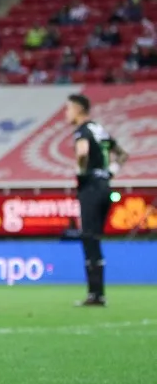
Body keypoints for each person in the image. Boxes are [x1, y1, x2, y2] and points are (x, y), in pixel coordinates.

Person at [64, 94, 129, 307]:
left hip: (91, 188)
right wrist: (109, 173)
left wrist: (81, 171)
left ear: (78, 109)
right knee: (95, 238)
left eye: (68, 109)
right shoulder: (100, 130)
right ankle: (97, 292)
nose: (66, 114)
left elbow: (82, 152)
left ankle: (96, 294)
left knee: (89, 237)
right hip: (105, 187)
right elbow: (122, 155)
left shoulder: (82, 131)